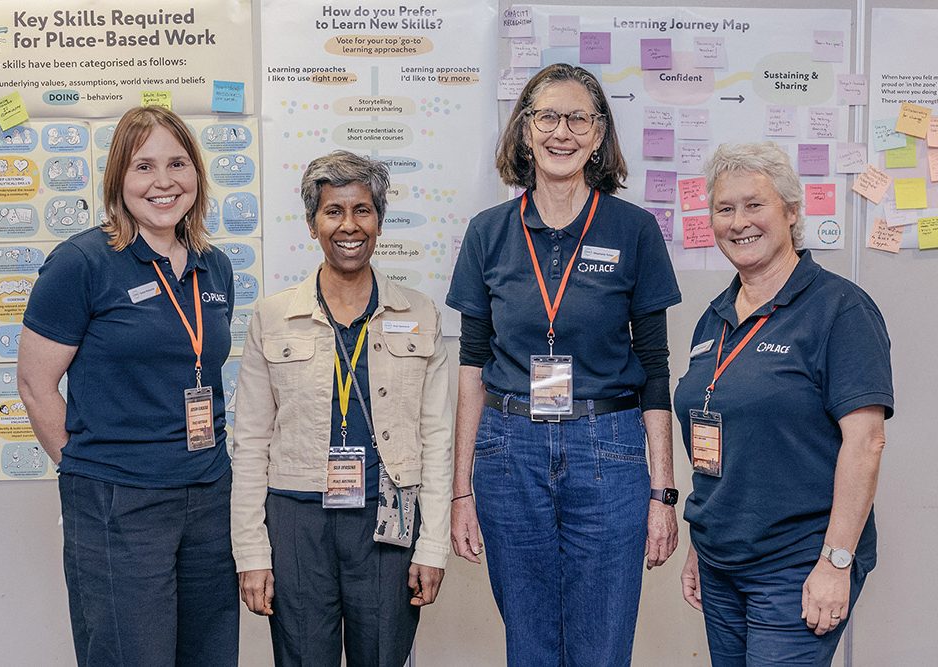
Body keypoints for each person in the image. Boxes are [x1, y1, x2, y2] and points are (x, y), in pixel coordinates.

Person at [447, 63, 681, 665]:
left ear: (599, 136)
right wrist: (459, 492)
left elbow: (656, 369)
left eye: (579, 118)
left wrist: (663, 492)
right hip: (507, 453)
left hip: (610, 450)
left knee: (601, 645)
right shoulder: (488, 233)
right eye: (547, 116)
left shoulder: (634, 230)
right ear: (524, 131)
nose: (562, 132)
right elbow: (471, 366)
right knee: (528, 644)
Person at [17, 106, 238, 666]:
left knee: (209, 654)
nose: (163, 182)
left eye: (177, 164)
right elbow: (35, 385)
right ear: (118, 178)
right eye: (144, 166)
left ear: (197, 175)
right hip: (118, 501)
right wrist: (90, 467)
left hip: (209, 495)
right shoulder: (82, 263)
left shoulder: (215, 266)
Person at [231, 150, 453, 667]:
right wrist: (252, 553)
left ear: (379, 220)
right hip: (296, 518)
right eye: (333, 211)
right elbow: (250, 444)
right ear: (312, 223)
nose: (348, 226)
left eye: (362, 210)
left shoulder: (417, 313)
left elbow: (437, 438)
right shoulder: (273, 316)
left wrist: (433, 545)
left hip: (387, 516)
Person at [675, 142, 893, 666]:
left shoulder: (840, 309)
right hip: (721, 561)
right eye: (724, 209)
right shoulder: (715, 317)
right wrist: (699, 544)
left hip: (798, 562)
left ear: (791, 213)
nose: (738, 222)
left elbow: (866, 441)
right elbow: (717, 442)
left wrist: (837, 563)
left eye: (755, 205)